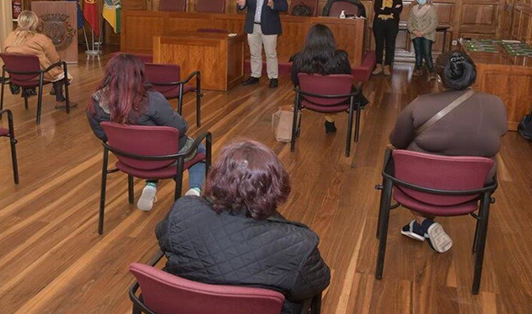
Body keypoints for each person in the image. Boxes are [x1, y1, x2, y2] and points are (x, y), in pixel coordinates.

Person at [156, 140, 330, 314]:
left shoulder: (182, 210)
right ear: (276, 186)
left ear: (217, 177)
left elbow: (163, 239)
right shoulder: (299, 244)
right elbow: (316, 283)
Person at [390, 51, 507, 253]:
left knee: (398, 156)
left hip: (419, 186)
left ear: (439, 78)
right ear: (473, 75)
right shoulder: (496, 104)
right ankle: (421, 225)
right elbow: (501, 132)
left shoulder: (421, 104)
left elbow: (397, 140)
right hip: (471, 189)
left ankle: (424, 223)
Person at [87, 53, 207, 211]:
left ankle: (150, 187)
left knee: (148, 147)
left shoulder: (95, 102)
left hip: (128, 157)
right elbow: (180, 128)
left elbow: (102, 135)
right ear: (139, 75)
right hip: (163, 158)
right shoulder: (152, 99)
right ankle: (194, 192)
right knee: (200, 149)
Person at [290, 24, 367, 134]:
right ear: (330, 40)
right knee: (342, 88)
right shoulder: (341, 58)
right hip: (338, 99)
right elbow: (346, 78)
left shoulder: (299, 58)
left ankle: (296, 128)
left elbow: (295, 80)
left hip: (309, 97)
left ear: (308, 40)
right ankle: (330, 123)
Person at [3, 10, 76, 109]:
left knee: (53, 68)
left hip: (15, 75)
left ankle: (56, 88)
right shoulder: (41, 38)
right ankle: (60, 98)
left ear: (19, 22)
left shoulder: (10, 37)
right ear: (35, 23)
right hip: (37, 74)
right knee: (59, 69)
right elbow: (54, 59)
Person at [237, 0, 288, 88]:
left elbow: (284, 7)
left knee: (271, 54)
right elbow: (241, 6)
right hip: (253, 26)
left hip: (270, 27)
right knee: (254, 53)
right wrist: (242, 5)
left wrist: (273, 4)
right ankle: (255, 75)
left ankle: (273, 77)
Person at [373, 0, 403, 77]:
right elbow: (377, 10)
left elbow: (397, 11)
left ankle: (387, 66)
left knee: (390, 45)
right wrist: (391, 10)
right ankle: (378, 65)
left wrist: (384, 9)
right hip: (379, 23)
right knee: (379, 44)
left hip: (392, 24)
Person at [407, 0, 438, 78]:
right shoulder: (413, 8)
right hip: (415, 34)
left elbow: (434, 23)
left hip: (427, 34)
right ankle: (418, 69)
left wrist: (422, 32)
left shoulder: (431, 9)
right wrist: (414, 31)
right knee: (418, 52)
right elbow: (409, 22)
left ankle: (431, 70)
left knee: (427, 53)